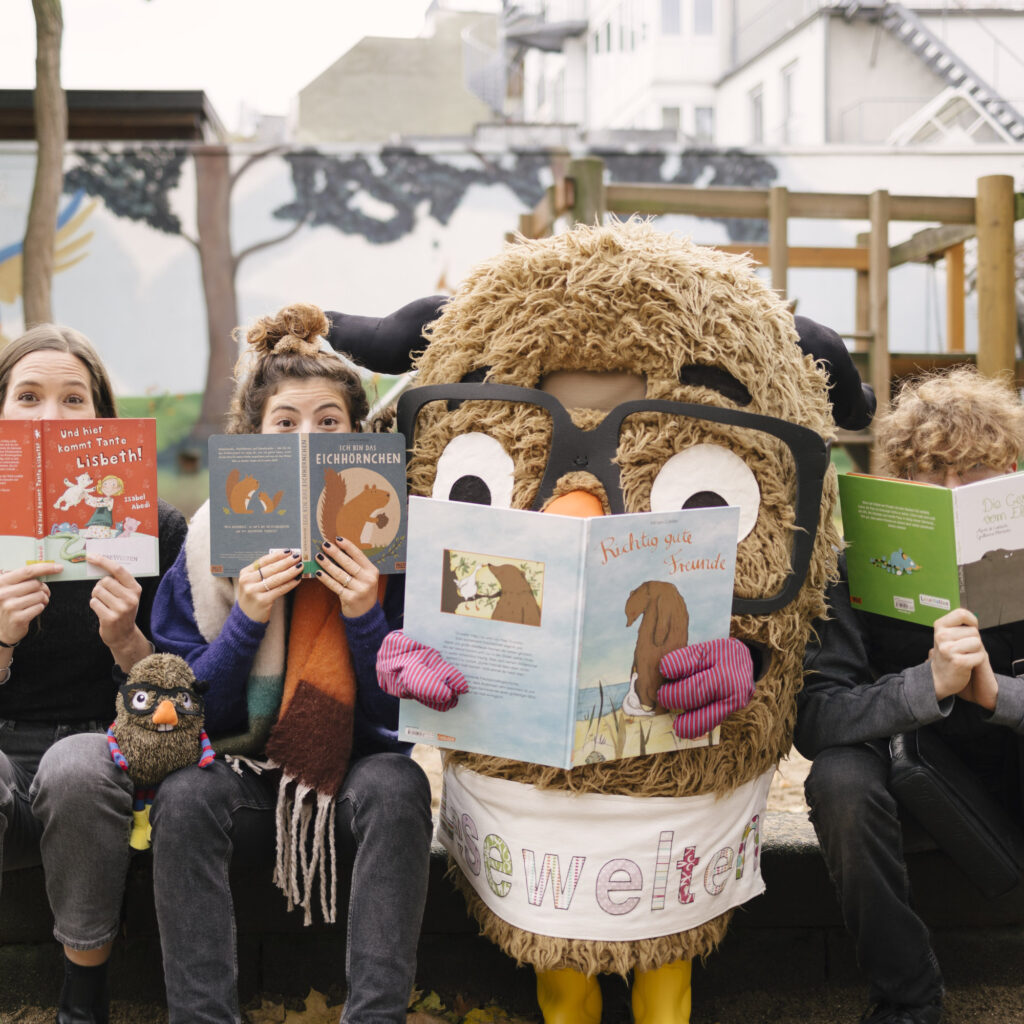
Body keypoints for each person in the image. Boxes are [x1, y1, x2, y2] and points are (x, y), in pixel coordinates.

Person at [149, 303, 431, 1024]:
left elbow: (396, 724)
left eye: (329, 422)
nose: (308, 438)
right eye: (286, 423)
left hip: (348, 777)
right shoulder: (208, 539)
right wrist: (247, 618)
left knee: (400, 786)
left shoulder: (389, 546)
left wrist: (367, 615)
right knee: (181, 797)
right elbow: (188, 715)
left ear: (358, 437)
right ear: (254, 438)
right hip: (242, 777)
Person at [795, 365, 1024, 1024]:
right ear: (900, 483)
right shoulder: (848, 571)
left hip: (1009, 771)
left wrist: (993, 693)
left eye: (972, 473)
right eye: (930, 476)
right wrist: (926, 685)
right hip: (910, 779)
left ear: (1009, 471)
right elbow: (816, 717)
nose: (951, 493)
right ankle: (907, 997)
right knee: (837, 777)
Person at [0, 323, 187, 1024]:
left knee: (79, 765)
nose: (50, 416)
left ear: (103, 419)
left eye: (73, 399)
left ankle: (85, 998)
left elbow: (180, 707)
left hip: (105, 767)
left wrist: (128, 641)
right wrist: (2, 638)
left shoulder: (159, 531)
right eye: (27, 396)